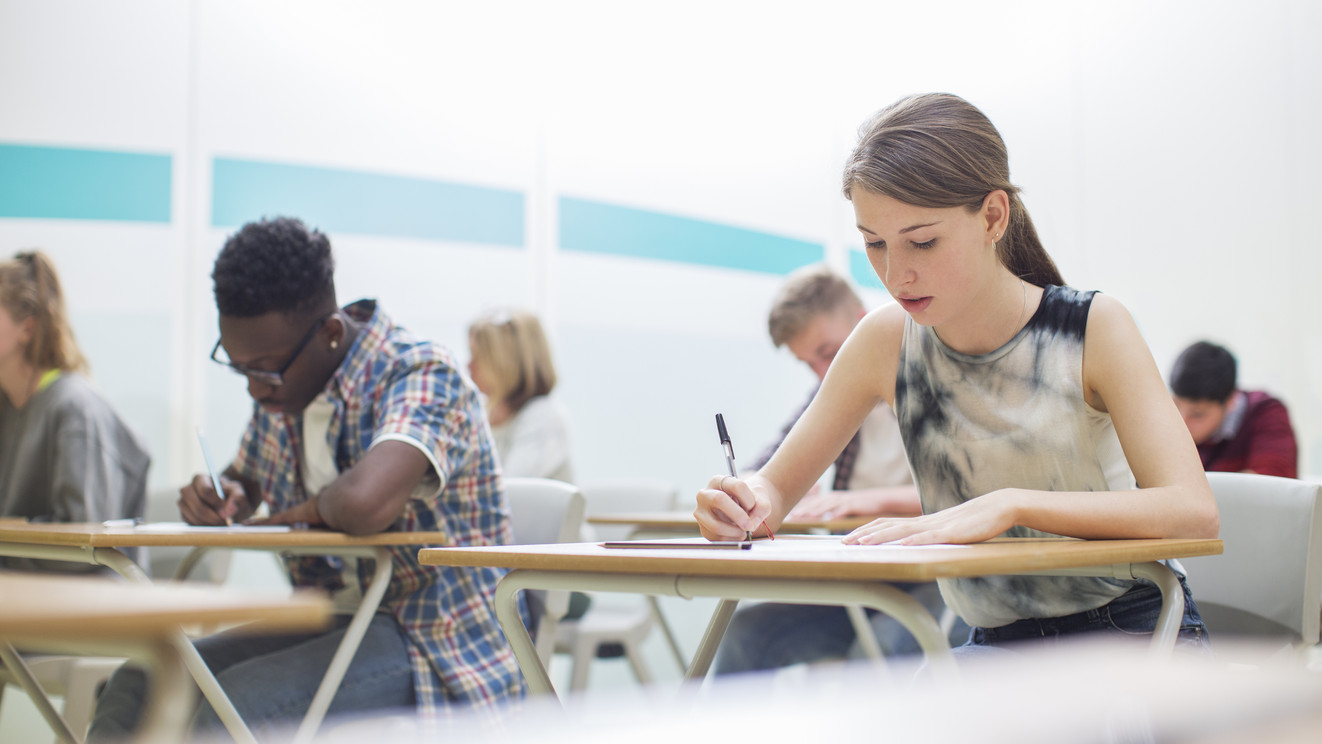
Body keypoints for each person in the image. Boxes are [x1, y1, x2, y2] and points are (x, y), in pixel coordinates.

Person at [695, 93, 1219, 659]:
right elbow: (775, 488)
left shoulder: (1093, 327)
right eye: (874, 244)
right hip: (994, 643)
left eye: (922, 241)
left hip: (1134, 627)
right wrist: (742, 502)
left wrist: (1012, 504)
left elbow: (1192, 510)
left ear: (993, 216)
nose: (896, 274)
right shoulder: (882, 341)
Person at [89, 217, 523, 740]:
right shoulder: (286, 390)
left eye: (265, 370)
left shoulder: (423, 373)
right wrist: (224, 496)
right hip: (328, 621)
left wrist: (313, 507)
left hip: (435, 642)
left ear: (331, 334)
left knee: (238, 708)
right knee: (137, 681)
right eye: (240, 367)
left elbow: (365, 504)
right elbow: (245, 479)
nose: (255, 390)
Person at [714, 265, 967, 674]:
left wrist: (864, 500)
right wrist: (745, 491)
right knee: (748, 634)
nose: (822, 373)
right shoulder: (832, 388)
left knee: (878, 651)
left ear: (863, 324)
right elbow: (767, 465)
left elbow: (971, 496)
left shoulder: (944, 377)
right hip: (864, 574)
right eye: (808, 363)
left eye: (828, 353)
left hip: (942, 576)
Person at [0, 250, 149, 570]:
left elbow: (82, 545)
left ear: (27, 329)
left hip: (81, 605)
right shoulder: (6, 403)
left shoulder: (75, 409)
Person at [467, 309, 574, 484]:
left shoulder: (544, 417)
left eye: (478, 357)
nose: (469, 365)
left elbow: (507, 492)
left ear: (506, 364)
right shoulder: (483, 413)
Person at [1169, 340, 1298, 479]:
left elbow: (1271, 486)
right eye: (1175, 407)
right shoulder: (1169, 425)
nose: (1182, 423)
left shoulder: (1267, 414)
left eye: (1197, 414)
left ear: (1231, 401)